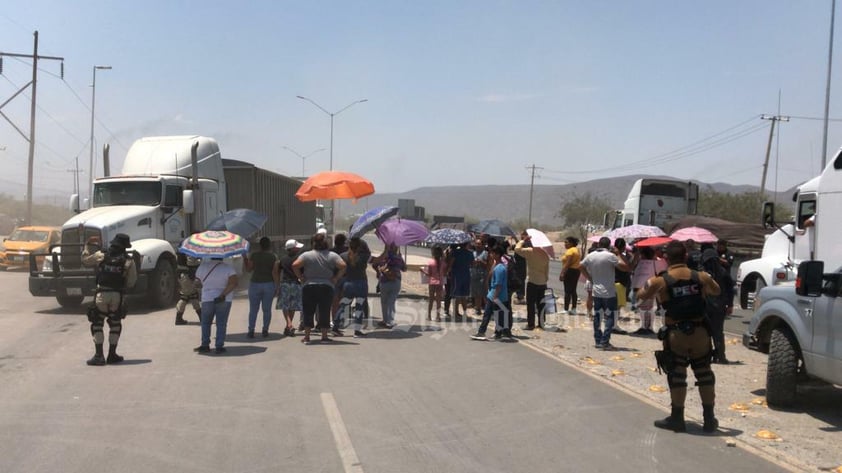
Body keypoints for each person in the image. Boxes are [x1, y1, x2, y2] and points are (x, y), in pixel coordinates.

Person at [636, 240, 721, 433]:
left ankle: (677, 418)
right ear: (685, 256)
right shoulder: (701, 276)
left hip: (677, 334)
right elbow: (716, 290)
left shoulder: (661, 280)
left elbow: (642, 294)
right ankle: (709, 419)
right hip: (701, 332)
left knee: (677, 375)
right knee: (705, 373)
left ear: (666, 258)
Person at [81, 233, 138, 366]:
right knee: (115, 324)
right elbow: (131, 282)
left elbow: (85, 260)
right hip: (117, 295)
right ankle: (112, 355)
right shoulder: (128, 261)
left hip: (101, 294)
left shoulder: (101, 255)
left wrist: (87, 246)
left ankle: (99, 355)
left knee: (97, 322)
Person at [293, 232, 347, 343]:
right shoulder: (332, 255)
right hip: (326, 287)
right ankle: (324, 336)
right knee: (324, 310)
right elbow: (343, 266)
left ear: (313, 243)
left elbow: (295, 265)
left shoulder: (306, 255)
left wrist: (301, 277)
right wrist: (336, 278)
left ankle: (307, 337)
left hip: (309, 286)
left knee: (308, 311)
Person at [579, 237, 630, 350]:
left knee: (597, 316)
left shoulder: (591, 256)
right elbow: (626, 268)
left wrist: (589, 277)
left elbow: (581, 266)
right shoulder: (610, 256)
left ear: (598, 245)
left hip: (596, 292)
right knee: (610, 316)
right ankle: (605, 341)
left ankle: (598, 340)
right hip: (609, 292)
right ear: (609, 246)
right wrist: (618, 254)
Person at [195, 256, 239, 354]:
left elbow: (197, 283)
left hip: (207, 298)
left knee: (205, 323)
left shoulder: (202, 267)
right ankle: (219, 346)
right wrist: (223, 294)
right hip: (224, 299)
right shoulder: (228, 268)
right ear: (222, 257)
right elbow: (234, 283)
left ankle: (205, 345)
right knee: (221, 323)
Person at [471, 245, 513, 341]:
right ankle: (495, 332)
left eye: (492, 253)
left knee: (492, 315)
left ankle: (485, 332)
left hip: (497, 296)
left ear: (497, 255)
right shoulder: (496, 265)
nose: (490, 254)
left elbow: (498, 285)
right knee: (494, 315)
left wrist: (494, 297)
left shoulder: (500, 268)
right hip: (494, 295)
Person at [702, 247, 733, 364]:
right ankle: (720, 355)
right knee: (718, 331)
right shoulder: (723, 272)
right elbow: (731, 290)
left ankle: (708, 355)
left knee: (705, 332)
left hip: (706, 306)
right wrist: (729, 305)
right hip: (719, 307)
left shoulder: (702, 274)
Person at [515, 231, 550, 330]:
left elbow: (517, 249)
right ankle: (542, 323)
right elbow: (546, 270)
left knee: (530, 304)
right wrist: (545, 280)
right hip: (542, 282)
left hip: (532, 281)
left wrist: (523, 240)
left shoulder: (530, 251)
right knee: (541, 304)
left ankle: (531, 324)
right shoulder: (545, 254)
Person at [245, 236, 278, 338]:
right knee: (267, 309)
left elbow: (249, 269)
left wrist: (245, 259)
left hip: (255, 283)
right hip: (269, 284)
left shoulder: (254, 255)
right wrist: (277, 286)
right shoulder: (274, 257)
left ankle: (251, 330)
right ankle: (265, 329)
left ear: (260, 245)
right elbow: (275, 273)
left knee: (253, 309)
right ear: (269, 245)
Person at [340, 237, 371, 338]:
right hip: (361, 283)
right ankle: (357, 331)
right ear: (359, 246)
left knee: (343, 306)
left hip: (348, 283)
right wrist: (386, 250)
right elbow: (377, 259)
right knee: (359, 308)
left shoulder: (343, 256)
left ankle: (335, 326)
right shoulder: (364, 256)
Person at [630, 246, 665, 335]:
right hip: (649, 287)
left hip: (645, 287)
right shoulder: (655, 263)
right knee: (646, 307)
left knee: (647, 307)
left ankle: (647, 327)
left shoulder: (646, 263)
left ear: (644, 254)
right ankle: (646, 326)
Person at [371, 243, 406, 328]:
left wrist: (378, 271)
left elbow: (374, 264)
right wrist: (401, 258)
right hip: (396, 280)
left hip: (384, 280)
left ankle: (385, 320)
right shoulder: (398, 258)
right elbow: (404, 269)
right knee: (391, 301)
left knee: (384, 301)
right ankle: (390, 321)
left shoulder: (383, 257)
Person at [274, 239, 304, 336]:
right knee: (293, 306)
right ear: (293, 249)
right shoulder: (299, 259)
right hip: (296, 284)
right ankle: (290, 324)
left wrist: (277, 285)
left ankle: (288, 325)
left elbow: (276, 271)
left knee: (285, 306)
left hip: (285, 283)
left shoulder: (282, 259)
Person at [446, 243, 473, 319]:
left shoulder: (455, 252)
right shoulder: (470, 253)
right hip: (466, 274)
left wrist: (448, 272)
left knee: (456, 294)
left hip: (456, 275)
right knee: (464, 295)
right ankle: (464, 312)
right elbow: (472, 264)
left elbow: (451, 263)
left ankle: (455, 312)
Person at [330, 233, 349, 334]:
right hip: (345, 277)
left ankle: (334, 320)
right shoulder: (347, 251)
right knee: (343, 300)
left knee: (334, 301)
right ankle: (340, 320)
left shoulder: (331, 251)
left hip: (333, 278)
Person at [421, 246, 446, 322]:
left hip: (432, 282)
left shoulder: (431, 262)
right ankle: (438, 316)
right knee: (438, 300)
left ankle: (429, 316)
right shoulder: (443, 263)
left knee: (431, 299)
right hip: (440, 282)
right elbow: (445, 273)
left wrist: (422, 271)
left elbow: (429, 274)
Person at [175, 256, 202, 325]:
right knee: (188, 296)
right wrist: (199, 261)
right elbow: (191, 263)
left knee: (188, 295)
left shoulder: (183, 248)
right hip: (187, 276)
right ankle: (202, 318)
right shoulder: (188, 250)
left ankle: (179, 318)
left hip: (184, 275)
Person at [559, 236, 581, 315]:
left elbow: (567, 263)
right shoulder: (577, 250)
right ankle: (574, 309)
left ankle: (566, 309)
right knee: (573, 290)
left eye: (566, 242)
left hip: (570, 271)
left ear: (571, 243)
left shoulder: (570, 251)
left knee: (567, 290)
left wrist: (562, 273)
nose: (565, 244)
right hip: (576, 271)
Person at [470, 239, 489, 315]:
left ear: (483, 245)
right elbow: (470, 263)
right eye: (476, 244)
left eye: (479, 244)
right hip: (473, 275)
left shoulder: (485, 253)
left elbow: (487, 265)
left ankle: (488, 309)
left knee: (483, 293)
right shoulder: (473, 253)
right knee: (475, 293)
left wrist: (481, 262)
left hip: (482, 275)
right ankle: (478, 309)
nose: (477, 245)